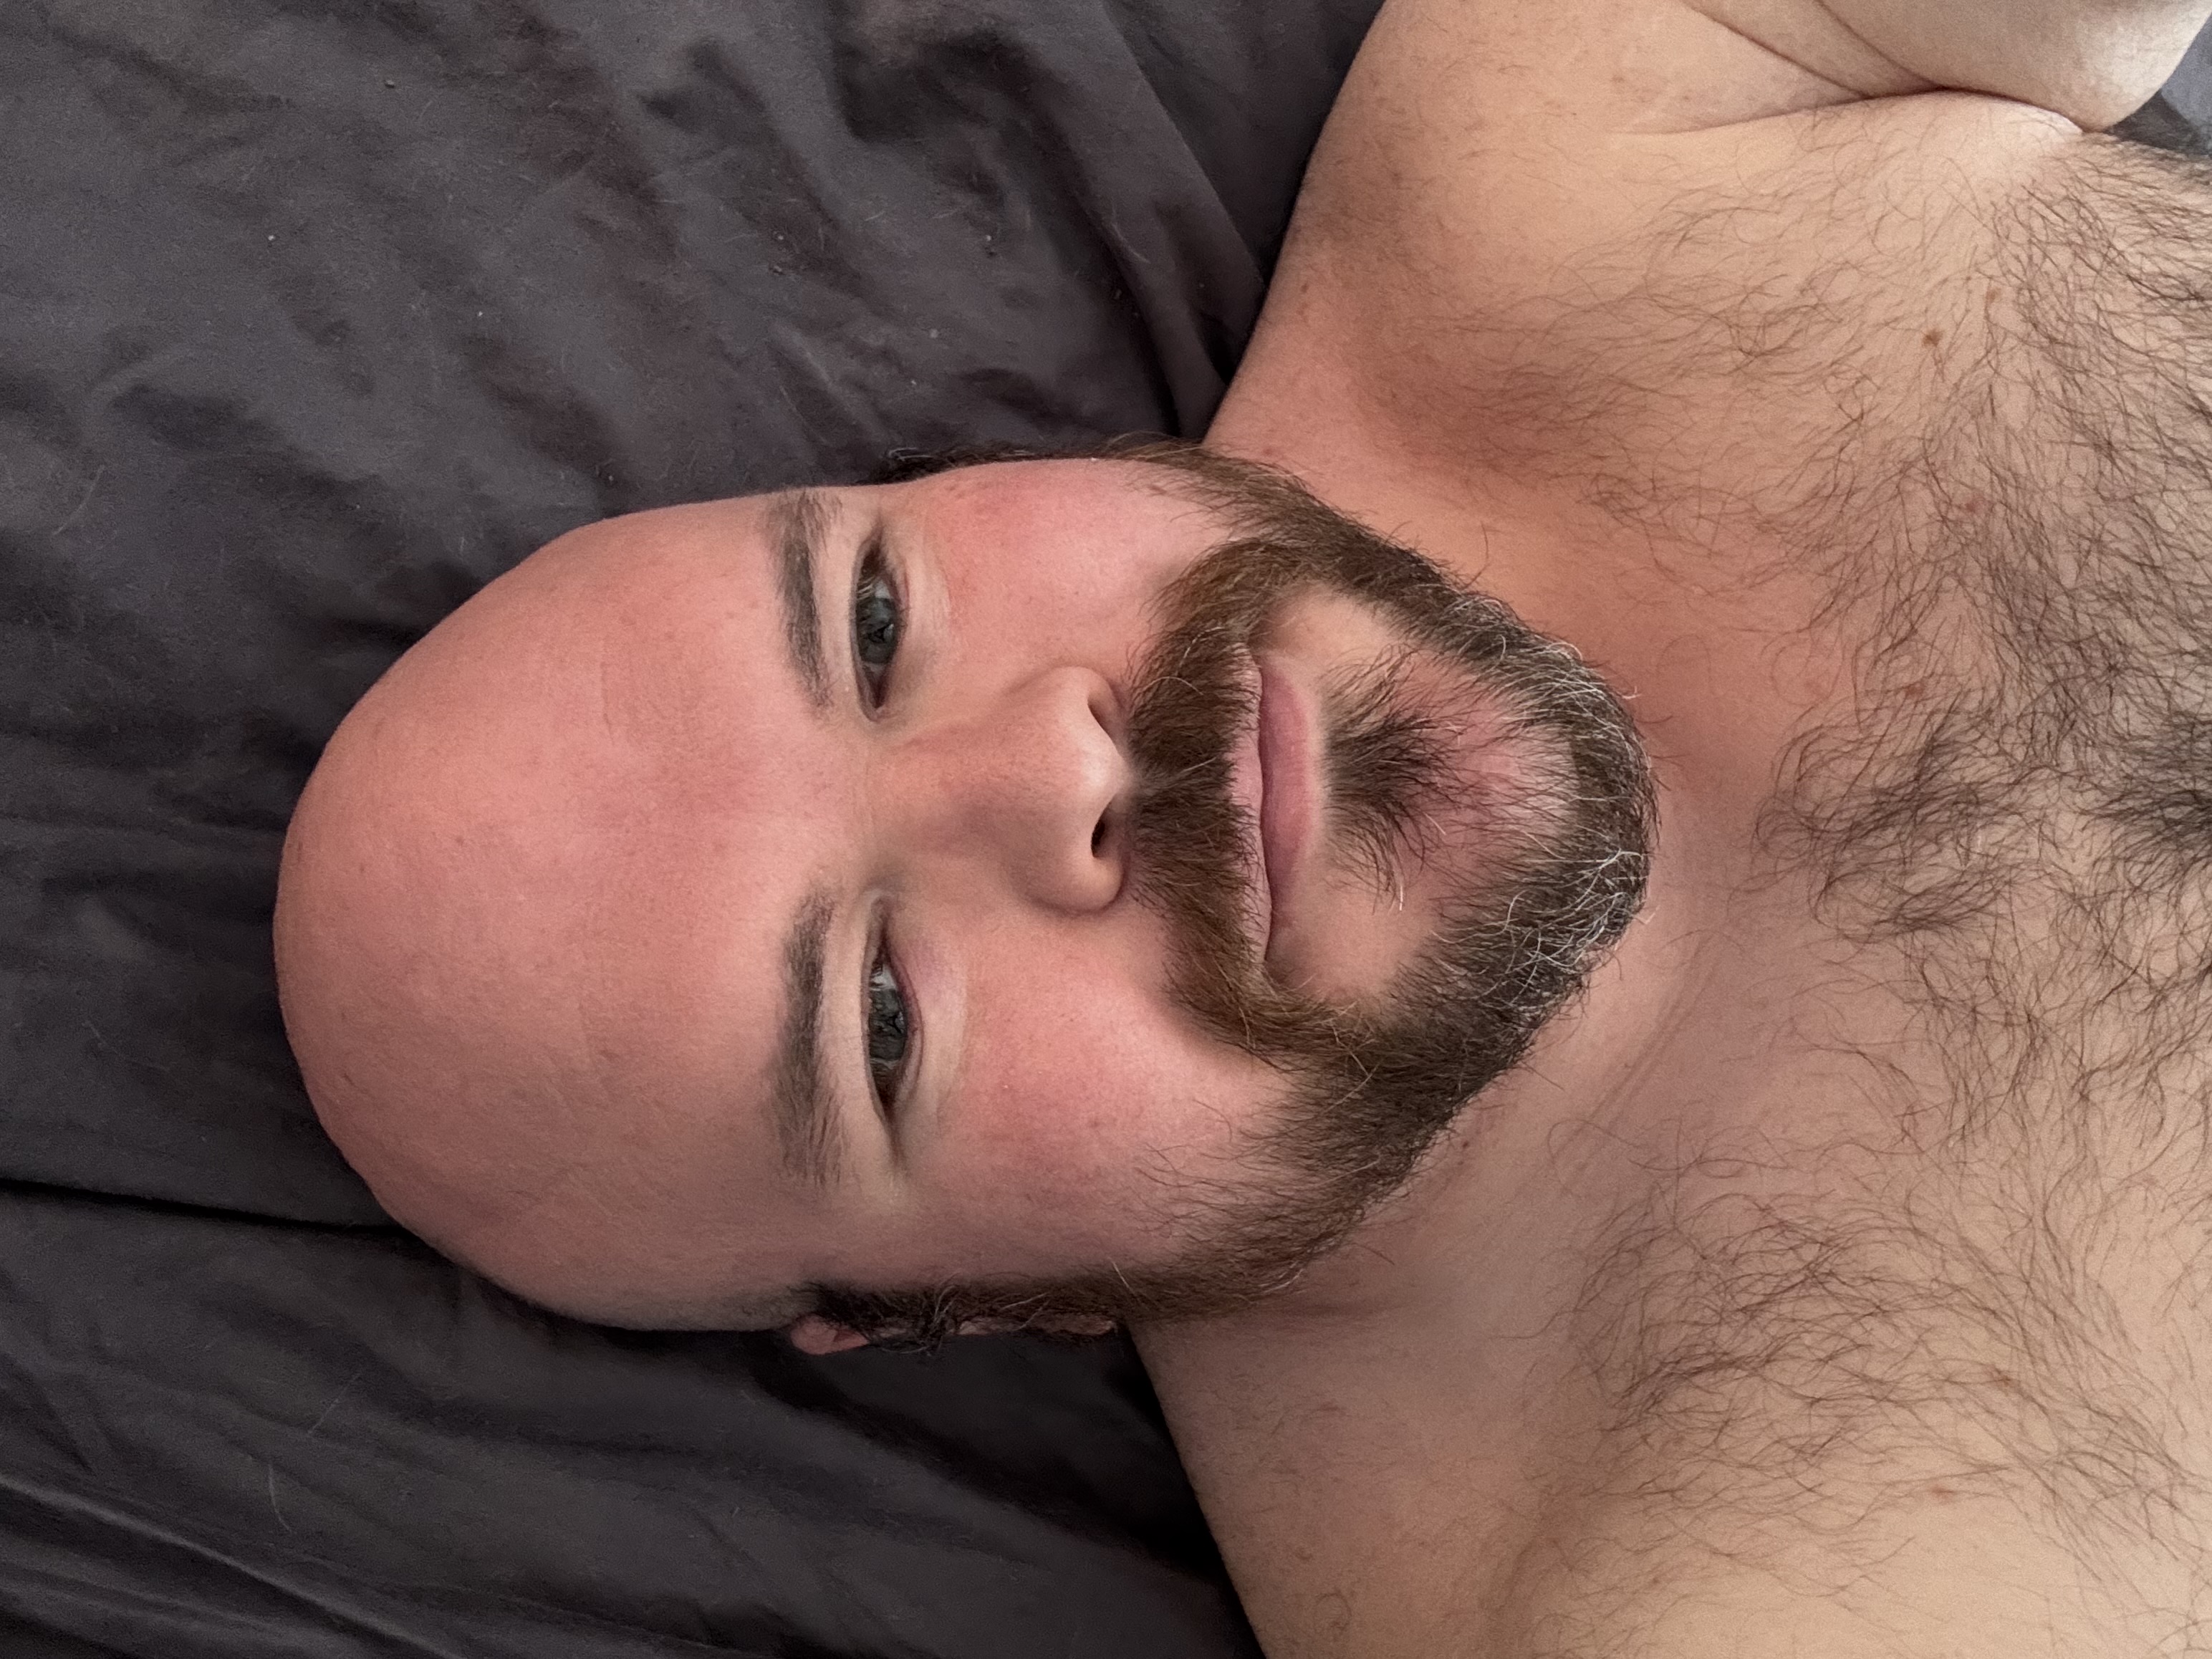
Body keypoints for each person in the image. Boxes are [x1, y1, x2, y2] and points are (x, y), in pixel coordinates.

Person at [274, 0, 2212, 1650]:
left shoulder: (1561, 151)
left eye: (873, 624)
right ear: (973, 1303)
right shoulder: (1695, 1587)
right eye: (881, 1015)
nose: (1052, 766)